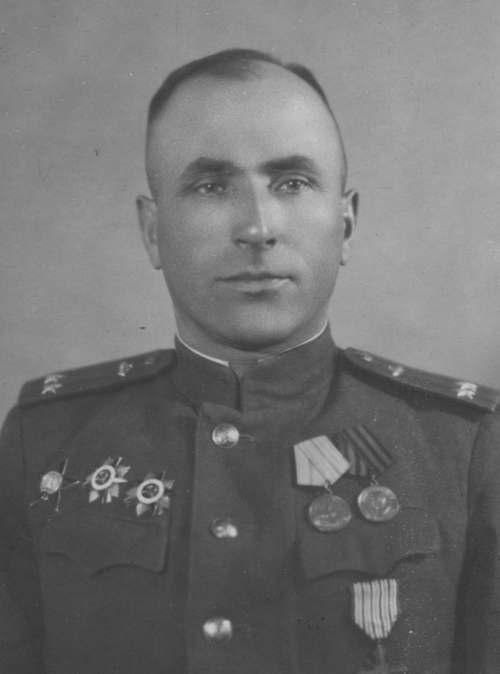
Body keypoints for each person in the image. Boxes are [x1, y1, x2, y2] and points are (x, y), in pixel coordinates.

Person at [0, 48, 499, 674]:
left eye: (292, 182)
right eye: (211, 186)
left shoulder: (462, 448)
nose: (258, 228)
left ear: (345, 224)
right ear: (153, 231)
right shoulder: (46, 441)